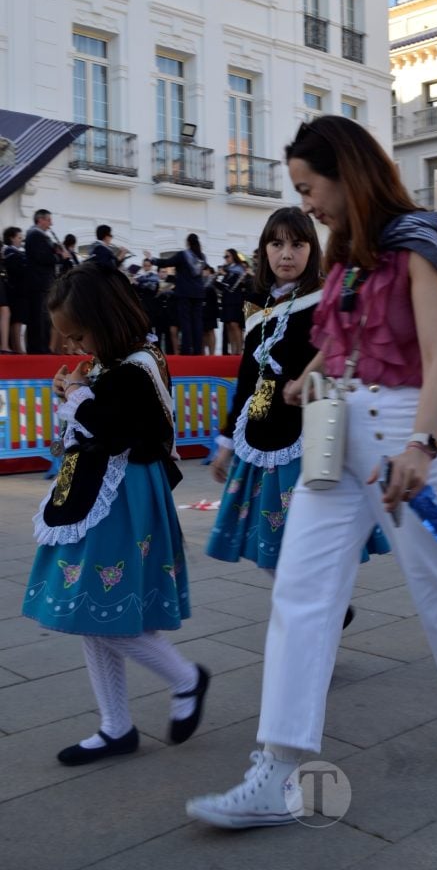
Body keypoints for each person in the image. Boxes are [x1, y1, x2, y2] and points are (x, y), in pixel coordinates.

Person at [186, 115, 437, 829]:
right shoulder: (345, 258)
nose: (306, 204)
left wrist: (423, 447)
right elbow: (337, 344)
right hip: (333, 436)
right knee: (302, 592)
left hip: (405, 435)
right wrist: (309, 375)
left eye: (310, 188)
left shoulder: (419, 241)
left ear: (347, 173)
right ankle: (277, 769)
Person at [22, 263, 209, 765]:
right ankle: (115, 725)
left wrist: (78, 396)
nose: (69, 347)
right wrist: (76, 394)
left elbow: (117, 429)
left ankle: (186, 679)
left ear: (105, 319)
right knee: (93, 613)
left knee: (102, 610)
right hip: (103, 495)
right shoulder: (115, 363)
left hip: (122, 498)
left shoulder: (136, 366)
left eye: (76, 334)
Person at [206, 205, 387, 586]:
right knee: (268, 545)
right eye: (276, 244)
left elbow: (348, 345)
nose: (286, 254)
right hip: (259, 434)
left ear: (312, 250)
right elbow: (246, 379)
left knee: (311, 538)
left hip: (309, 435)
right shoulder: (258, 308)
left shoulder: (326, 301)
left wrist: (309, 376)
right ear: (263, 250)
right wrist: (225, 442)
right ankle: (316, 605)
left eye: (297, 244)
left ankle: (318, 604)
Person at [145, 234, 206, 355]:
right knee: (198, 322)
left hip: (185, 293)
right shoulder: (202, 257)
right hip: (199, 293)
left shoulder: (183, 255)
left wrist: (152, 259)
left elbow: (167, 262)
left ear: (188, 242)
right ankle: (198, 350)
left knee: (186, 322)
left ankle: (186, 350)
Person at [25, 208, 62, 353]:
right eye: (48, 220)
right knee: (39, 316)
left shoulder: (39, 236)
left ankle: (42, 346)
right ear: (40, 220)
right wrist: (58, 257)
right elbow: (43, 258)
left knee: (44, 316)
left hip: (42, 281)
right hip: (39, 281)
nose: (51, 223)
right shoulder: (35, 235)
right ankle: (38, 348)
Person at [2, 227, 27, 353]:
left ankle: (17, 346)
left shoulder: (15, 252)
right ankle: (17, 347)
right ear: (11, 238)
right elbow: (16, 271)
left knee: (18, 319)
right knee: (17, 319)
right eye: (19, 238)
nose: (21, 241)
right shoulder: (10, 252)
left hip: (17, 290)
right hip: (15, 290)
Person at [216, 248, 246, 354]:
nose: (225, 259)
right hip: (226, 300)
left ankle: (238, 351)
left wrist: (225, 274)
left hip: (236, 300)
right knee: (228, 325)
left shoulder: (239, 269)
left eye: (227, 256)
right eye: (225, 257)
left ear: (233, 256)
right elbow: (223, 287)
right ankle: (233, 351)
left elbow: (233, 285)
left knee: (234, 325)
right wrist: (215, 280)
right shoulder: (227, 270)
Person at [201, 265, 219, 355]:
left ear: (208, 270)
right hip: (201, 309)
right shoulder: (199, 281)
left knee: (211, 330)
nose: (203, 272)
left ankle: (212, 353)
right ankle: (203, 352)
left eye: (205, 270)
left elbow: (216, 293)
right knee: (203, 332)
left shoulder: (212, 279)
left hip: (211, 308)